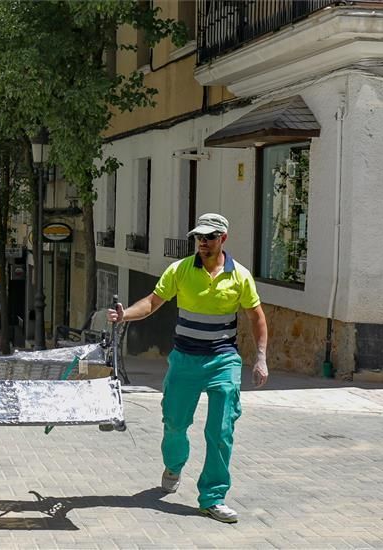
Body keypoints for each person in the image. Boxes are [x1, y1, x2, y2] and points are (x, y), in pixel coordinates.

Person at [108, 213, 268, 524]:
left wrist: (260, 357)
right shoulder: (180, 270)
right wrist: (124, 314)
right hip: (184, 360)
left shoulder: (240, 276)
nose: (203, 243)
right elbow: (153, 302)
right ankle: (174, 464)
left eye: (209, 237)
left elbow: (257, 317)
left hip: (223, 360)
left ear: (223, 238)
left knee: (221, 430)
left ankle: (212, 497)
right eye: (199, 237)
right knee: (174, 423)